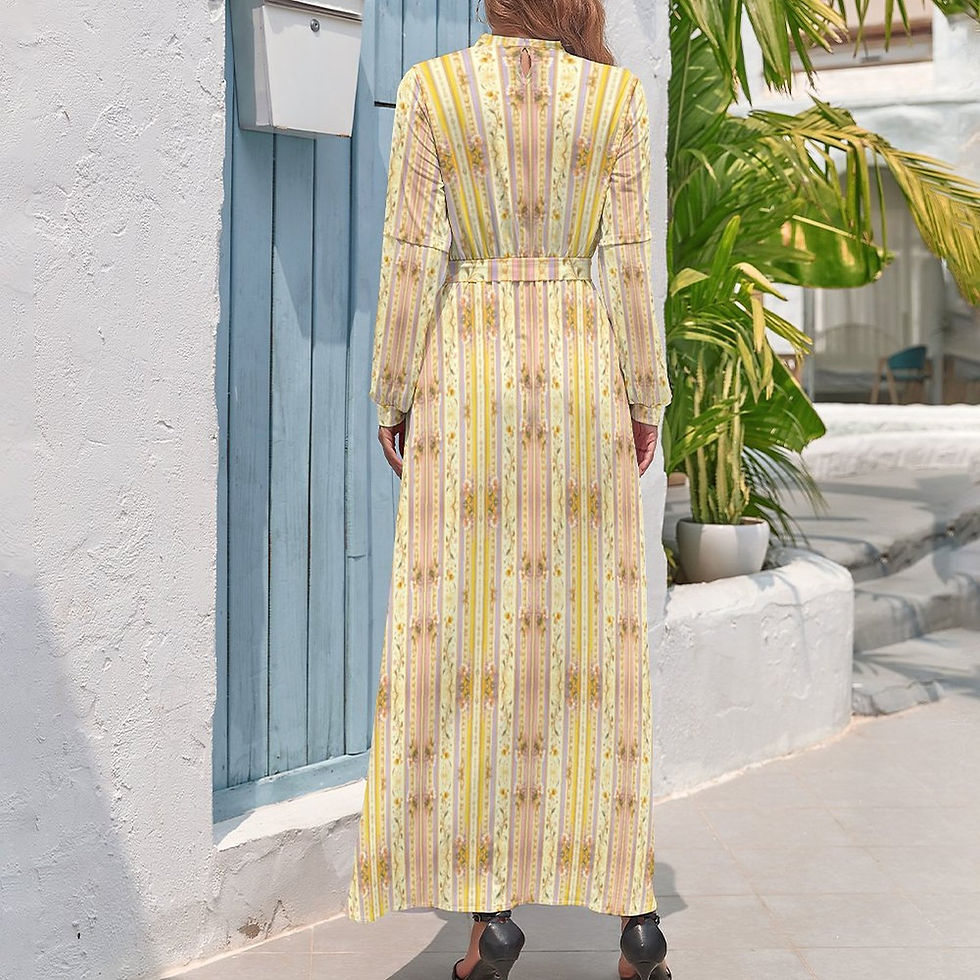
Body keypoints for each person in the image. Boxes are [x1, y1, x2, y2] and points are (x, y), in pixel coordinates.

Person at [347, 2, 673, 978]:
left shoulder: (431, 90)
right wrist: (643, 393)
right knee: (593, 638)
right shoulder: (615, 96)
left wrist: (393, 391)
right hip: (582, 372)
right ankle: (638, 919)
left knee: (470, 635)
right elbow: (627, 259)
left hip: (470, 374)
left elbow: (410, 255)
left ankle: (492, 917)